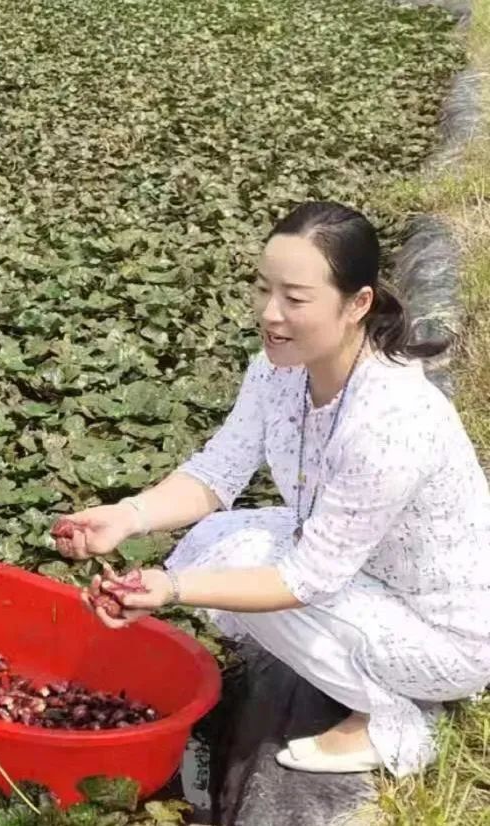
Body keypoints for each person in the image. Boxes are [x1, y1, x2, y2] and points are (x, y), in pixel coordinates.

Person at [51, 201, 490, 777]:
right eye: (264, 289)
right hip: (370, 574)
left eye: (296, 299)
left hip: (450, 633)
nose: (271, 314)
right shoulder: (278, 366)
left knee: (241, 567)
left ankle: (393, 721)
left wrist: (173, 587)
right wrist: (127, 516)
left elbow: (308, 579)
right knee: (219, 535)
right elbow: (218, 471)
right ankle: (346, 664)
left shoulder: (391, 421)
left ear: (358, 304)